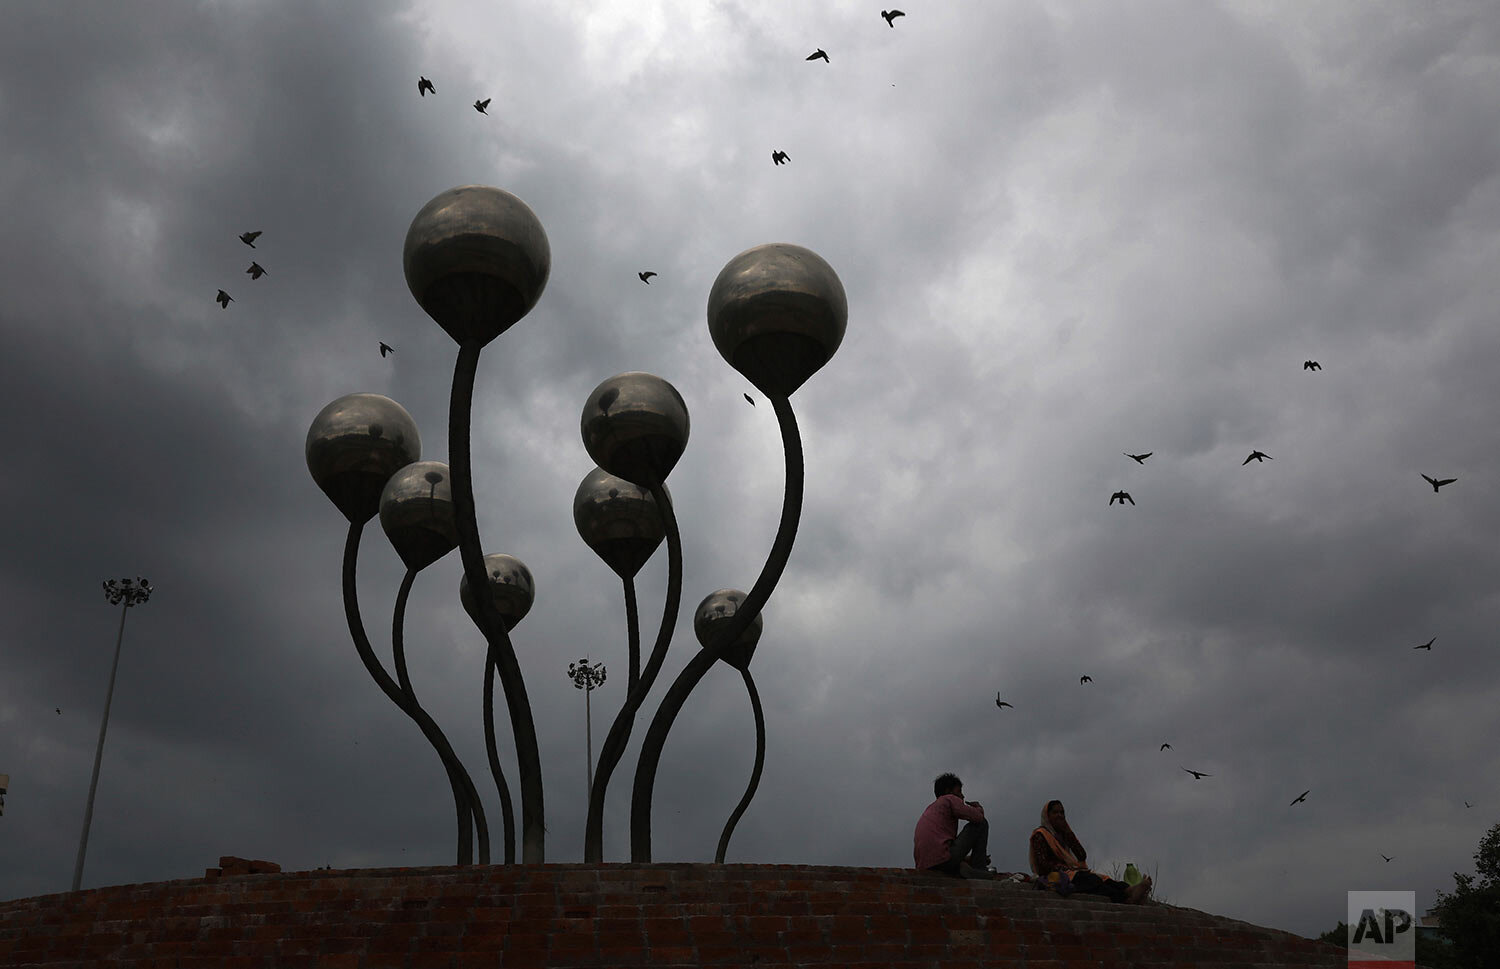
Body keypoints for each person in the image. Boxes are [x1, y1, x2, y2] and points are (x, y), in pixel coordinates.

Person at [1029, 800, 1151, 903]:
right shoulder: (1040, 835)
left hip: (1071, 873)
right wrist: (1065, 869)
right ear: (1047, 816)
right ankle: (1126, 898)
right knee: (1093, 881)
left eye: (1062, 813)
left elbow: (1081, 855)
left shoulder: (1062, 835)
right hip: (1053, 876)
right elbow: (1042, 865)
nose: (1060, 815)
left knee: (1104, 879)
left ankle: (1130, 890)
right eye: (1055, 812)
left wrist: (1067, 832)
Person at [913, 773, 993, 878]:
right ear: (948, 791)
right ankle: (980, 869)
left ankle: (964, 869)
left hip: (927, 865)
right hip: (943, 861)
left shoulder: (931, 810)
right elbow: (978, 817)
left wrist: (968, 858)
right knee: (981, 823)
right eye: (959, 791)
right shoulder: (948, 799)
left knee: (961, 866)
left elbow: (941, 851)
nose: (962, 796)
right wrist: (978, 808)